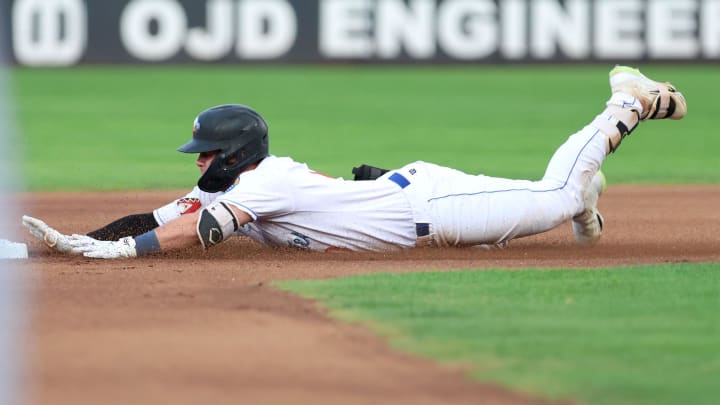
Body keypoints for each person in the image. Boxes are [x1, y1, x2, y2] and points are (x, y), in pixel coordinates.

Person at [23, 66, 687, 259]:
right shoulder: (242, 178)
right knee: (551, 194)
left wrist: (121, 255)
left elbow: (198, 229)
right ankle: (590, 183)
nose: (198, 168)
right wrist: (79, 241)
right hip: (406, 196)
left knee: (557, 196)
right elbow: (157, 214)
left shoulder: (264, 180)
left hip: (430, 210)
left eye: (207, 156)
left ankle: (624, 106)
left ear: (237, 154)